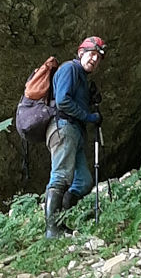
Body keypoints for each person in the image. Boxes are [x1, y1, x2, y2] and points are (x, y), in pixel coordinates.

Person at [44, 35, 106, 238]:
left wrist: (89, 100)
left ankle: (62, 220)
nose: (94, 59)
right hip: (63, 127)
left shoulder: (81, 77)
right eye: (92, 54)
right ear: (81, 53)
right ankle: (52, 229)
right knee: (61, 176)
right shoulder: (69, 68)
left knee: (84, 181)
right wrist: (89, 116)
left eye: (98, 57)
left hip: (74, 131)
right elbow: (63, 101)